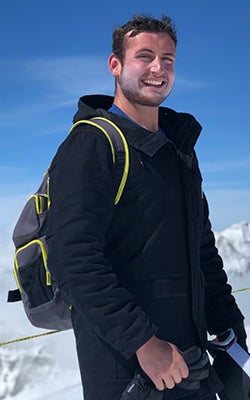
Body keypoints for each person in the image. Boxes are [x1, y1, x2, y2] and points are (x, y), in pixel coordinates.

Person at [46, 14, 248, 400]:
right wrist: (143, 343)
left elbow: (201, 248)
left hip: (191, 364)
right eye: (145, 56)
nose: (158, 68)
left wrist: (228, 325)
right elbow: (73, 259)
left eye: (168, 59)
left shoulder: (178, 151)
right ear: (116, 65)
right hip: (127, 375)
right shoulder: (92, 145)